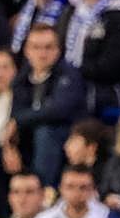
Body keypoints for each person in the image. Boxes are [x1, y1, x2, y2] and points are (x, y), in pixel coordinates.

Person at [9, 23, 84, 187]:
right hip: (30, 135)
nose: (42, 54)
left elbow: (58, 111)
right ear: (27, 51)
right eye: (36, 47)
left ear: (58, 50)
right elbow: (15, 113)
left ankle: (42, 192)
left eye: (48, 48)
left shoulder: (69, 74)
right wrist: (8, 145)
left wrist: (18, 121)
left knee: (46, 133)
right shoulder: (22, 78)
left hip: (64, 133)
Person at [34, 163, 118, 218]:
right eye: (70, 187)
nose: (76, 193)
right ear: (60, 188)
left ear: (93, 190)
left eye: (83, 187)